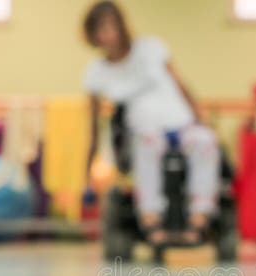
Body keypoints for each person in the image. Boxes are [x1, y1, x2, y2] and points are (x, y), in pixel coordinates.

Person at [82, 1, 219, 246]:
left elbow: (180, 84)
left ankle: (199, 219)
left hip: (181, 123)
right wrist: (87, 170)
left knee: (205, 141)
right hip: (143, 131)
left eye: (110, 26)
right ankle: (151, 220)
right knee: (146, 147)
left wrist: (200, 116)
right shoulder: (97, 72)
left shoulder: (151, 48)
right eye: (100, 30)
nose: (107, 34)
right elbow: (93, 124)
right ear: (92, 36)